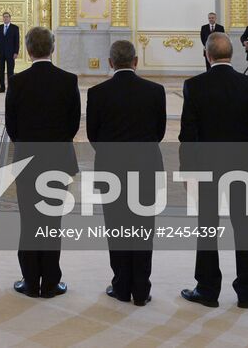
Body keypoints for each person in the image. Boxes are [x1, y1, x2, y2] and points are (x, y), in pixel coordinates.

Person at [179, 33, 248, 309]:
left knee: (207, 228)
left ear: (208, 55)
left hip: (207, 168)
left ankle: (207, 289)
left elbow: (188, 135)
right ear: (233, 55)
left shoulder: (194, 86)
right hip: (244, 168)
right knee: (245, 229)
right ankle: (245, 292)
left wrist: (188, 171)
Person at [87, 39, 165, 306]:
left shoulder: (97, 93)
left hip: (111, 168)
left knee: (117, 228)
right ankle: (141, 290)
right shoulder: (156, 91)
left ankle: (121, 286)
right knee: (143, 229)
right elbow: (159, 132)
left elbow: (92, 135)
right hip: (146, 167)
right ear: (136, 61)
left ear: (110, 63)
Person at [5, 26, 79, 299]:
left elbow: (11, 126)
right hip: (59, 159)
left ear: (27, 50)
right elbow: (72, 125)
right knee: (52, 222)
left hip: (27, 160)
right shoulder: (68, 80)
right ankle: (50, 281)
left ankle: (29, 280)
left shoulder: (17, 82)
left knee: (29, 221)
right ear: (53, 48)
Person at [0, 12, 19, 93]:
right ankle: (2, 88)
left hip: (11, 53)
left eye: (7, 17)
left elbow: (17, 41)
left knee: (10, 71)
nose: (5, 18)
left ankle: (10, 88)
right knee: (1, 70)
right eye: (4, 17)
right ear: (2, 18)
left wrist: (16, 52)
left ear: (10, 18)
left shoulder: (15, 28)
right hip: (0, 52)